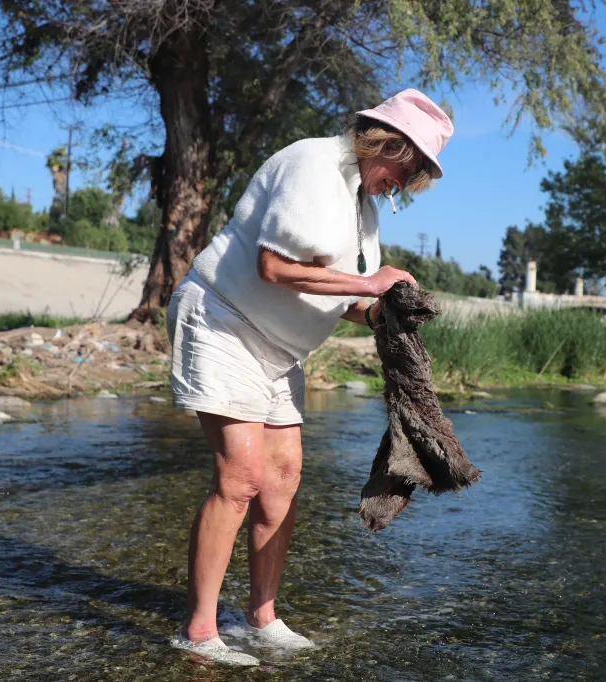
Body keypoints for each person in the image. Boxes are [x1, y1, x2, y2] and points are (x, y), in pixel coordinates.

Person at [166, 88, 454, 666]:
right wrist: (372, 284)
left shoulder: (361, 206)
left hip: (278, 345)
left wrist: (382, 310)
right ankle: (200, 632)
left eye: (415, 177)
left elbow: (330, 292)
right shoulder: (312, 164)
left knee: (283, 477)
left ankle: (261, 618)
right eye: (406, 169)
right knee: (241, 476)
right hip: (225, 318)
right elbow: (273, 266)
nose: (402, 186)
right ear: (386, 142)